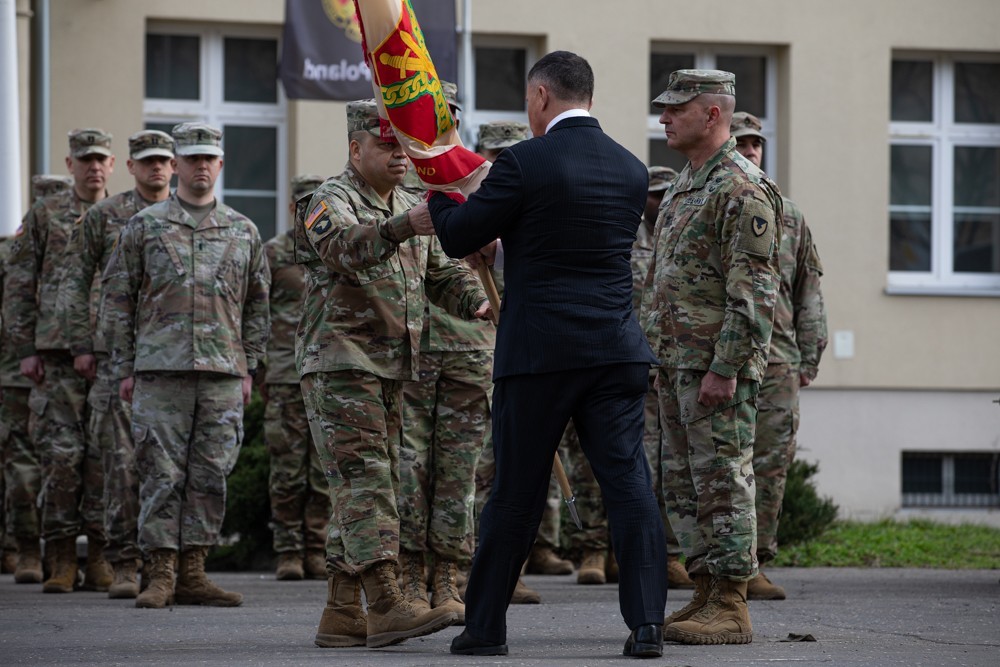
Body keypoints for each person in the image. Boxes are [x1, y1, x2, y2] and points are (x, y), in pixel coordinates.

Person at [418, 50, 668, 658]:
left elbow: (457, 233)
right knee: (629, 484)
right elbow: (568, 239)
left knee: (516, 493)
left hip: (540, 357)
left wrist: (443, 196)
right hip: (615, 350)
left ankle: (484, 628)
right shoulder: (632, 168)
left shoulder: (525, 163)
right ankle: (647, 626)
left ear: (539, 98)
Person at [295, 99, 486, 649]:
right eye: (386, 143)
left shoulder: (409, 202)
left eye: (403, 144)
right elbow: (341, 249)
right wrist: (404, 225)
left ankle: (341, 610)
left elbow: (441, 273)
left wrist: (477, 302)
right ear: (355, 149)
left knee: (361, 487)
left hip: (392, 368)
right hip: (340, 363)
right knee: (366, 482)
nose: (400, 154)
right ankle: (384, 603)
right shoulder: (330, 199)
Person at [102, 122, 270, 609]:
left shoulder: (243, 230)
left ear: (220, 164)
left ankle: (194, 570)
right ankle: (160, 573)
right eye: (191, 158)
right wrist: (125, 369)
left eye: (208, 158)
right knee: (159, 471)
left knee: (212, 472)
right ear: (176, 165)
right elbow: (117, 299)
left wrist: (249, 367)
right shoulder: (145, 225)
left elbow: (259, 304)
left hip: (222, 372)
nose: (200, 166)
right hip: (159, 369)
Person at [642, 70, 783, 645]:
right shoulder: (685, 183)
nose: (665, 118)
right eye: (665, 108)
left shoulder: (742, 188)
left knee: (723, 481)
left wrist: (727, 368)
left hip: (713, 369)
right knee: (683, 484)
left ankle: (731, 603)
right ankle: (703, 589)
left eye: (678, 108)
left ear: (713, 115)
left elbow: (754, 293)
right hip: (676, 365)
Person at [59, 130, 176, 599]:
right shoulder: (104, 216)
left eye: (164, 161)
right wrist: (81, 344)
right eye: (147, 162)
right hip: (117, 359)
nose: (157, 169)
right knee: (120, 464)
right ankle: (123, 563)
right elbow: (74, 280)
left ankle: (169, 566)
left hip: (172, 360)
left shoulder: (189, 215)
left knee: (169, 469)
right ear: (129, 167)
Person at [397, 84, 495, 625]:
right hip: (410, 350)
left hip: (469, 351)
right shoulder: (389, 186)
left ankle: (450, 577)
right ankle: (410, 575)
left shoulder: (482, 182)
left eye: (446, 117)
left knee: (459, 473)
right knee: (409, 470)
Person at [3, 129, 115, 594]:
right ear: (69, 166)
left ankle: (104, 557)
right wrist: (25, 350)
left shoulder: (124, 215)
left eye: (100, 160)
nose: (93, 167)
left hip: (109, 354)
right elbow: (19, 285)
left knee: (107, 459)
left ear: (113, 166)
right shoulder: (46, 215)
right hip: (57, 357)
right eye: (84, 160)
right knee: (61, 459)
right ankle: (61, 556)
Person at [729, 111, 828, 600]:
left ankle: (755, 562)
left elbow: (808, 289)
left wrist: (811, 354)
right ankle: (714, 563)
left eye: (756, 144)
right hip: (721, 358)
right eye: (740, 142)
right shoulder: (712, 202)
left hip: (778, 359)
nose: (749, 151)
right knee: (719, 463)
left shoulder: (789, 214)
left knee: (770, 464)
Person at [261, 174, 331, 582]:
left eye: (316, 202)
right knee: (286, 467)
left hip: (325, 370)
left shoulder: (333, 247)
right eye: (303, 203)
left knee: (325, 467)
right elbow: (254, 310)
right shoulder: (272, 253)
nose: (309, 210)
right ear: (292, 208)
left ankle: (317, 547)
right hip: (286, 373)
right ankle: (288, 550)